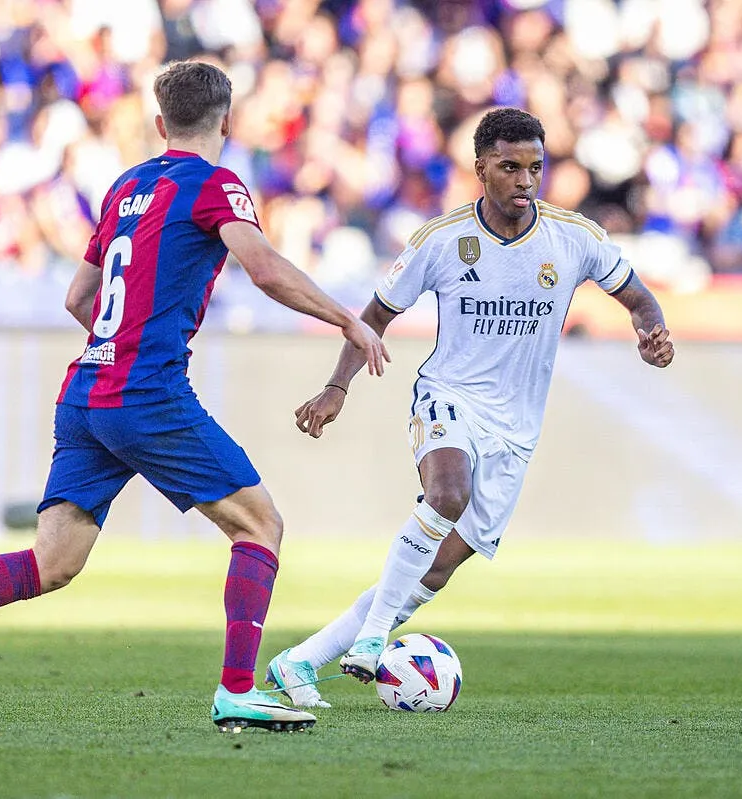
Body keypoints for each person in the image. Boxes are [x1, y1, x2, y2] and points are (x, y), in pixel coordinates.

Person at [0, 60, 390, 733]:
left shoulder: (125, 186)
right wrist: (347, 319)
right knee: (260, 526)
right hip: (147, 392)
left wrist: (119, 346)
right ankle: (237, 690)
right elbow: (263, 268)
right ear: (226, 122)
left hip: (86, 390)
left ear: (161, 124)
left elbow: (78, 297)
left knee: (52, 562)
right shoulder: (217, 184)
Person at [265, 108, 675, 708]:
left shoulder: (574, 238)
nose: (525, 181)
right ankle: (374, 638)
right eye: (509, 167)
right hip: (448, 396)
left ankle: (299, 661)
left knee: (432, 572)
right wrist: (337, 387)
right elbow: (374, 316)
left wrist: (652, 332)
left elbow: (639, 299)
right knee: (447, 494)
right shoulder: (441, 240)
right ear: (481, 168)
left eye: (535, 168)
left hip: (516, 430)